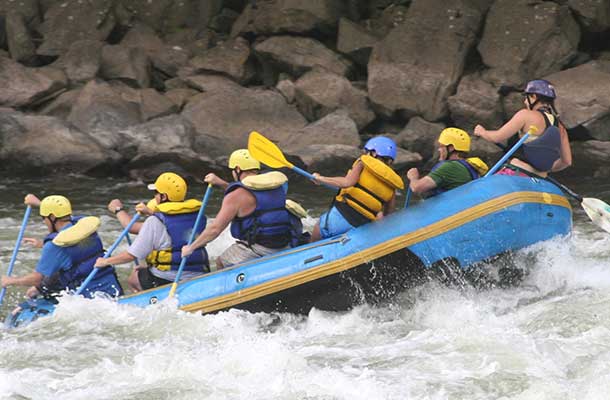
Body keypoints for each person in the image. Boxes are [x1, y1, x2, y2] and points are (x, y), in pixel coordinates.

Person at [94, 172, 209, 292]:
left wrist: (105, 261)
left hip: (169, 278)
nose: (155, 196)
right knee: (144, 268)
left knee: (134, 278)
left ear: (163, 197)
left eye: (156, 193)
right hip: (199, 272)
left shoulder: (154, 222)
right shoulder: (198, 216)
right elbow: (172, 224)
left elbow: (131, 255)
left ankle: (149, 301)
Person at [182, 149, 298, 267]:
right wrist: (221, 183)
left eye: (232, 170)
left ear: (237, 169)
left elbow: (215, 229)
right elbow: (249, 195)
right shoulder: (276, 186)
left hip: (259, 248)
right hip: (284, 243)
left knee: (221, 261)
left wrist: (191, 247)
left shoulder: (236, 195)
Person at [0, 194, 123, 299]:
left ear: (52, 217)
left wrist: (11, 281)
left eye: (44, 218)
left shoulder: (53, 246)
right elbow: (75, 249)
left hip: (86, 298)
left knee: (35, 289)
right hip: (112, 286)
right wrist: (39, 204)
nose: (44, 221)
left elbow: (37, 279)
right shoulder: (83, 224)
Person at [310, 136, 404, 241]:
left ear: (373, 153)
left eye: (367, 151)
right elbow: (388, 216)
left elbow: (347, 182)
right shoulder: (392, 184)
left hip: (338, 219)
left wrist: (320, 179)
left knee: (318, 227)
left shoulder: (363, 163)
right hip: (361, 229)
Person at [474, 79, 572, 177]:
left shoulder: (525, 115)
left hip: (516, 172)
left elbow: (497, 137)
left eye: (526, 97)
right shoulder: (560, 126)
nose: (525, 102)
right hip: (540, 178)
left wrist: (482, 132)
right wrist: (543, 168)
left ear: (534, 96)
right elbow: (566, 161)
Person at [406, 128, 488, 196]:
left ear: (451, 148)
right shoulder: (468, 166)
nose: (439, 150)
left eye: (442, 146)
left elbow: (417, 188)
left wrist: (413, 177)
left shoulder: (450, 167)